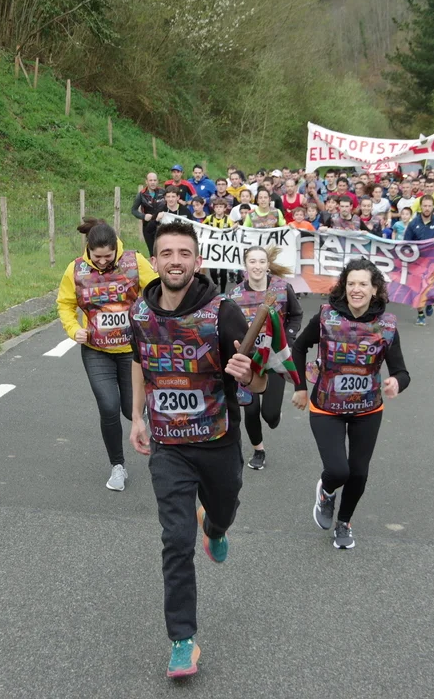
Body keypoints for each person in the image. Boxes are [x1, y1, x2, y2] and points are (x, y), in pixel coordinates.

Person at [129, 221, 267, 679]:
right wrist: (137, 417)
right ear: (155, 260)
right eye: (167, 253)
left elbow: (261, 382)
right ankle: (182, 640)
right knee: (175, 539)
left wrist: (248, 375)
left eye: (184, 253)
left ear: (197, 261)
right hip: (169, 445)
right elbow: (139, 363)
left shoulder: (223, 314)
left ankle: (216, 526)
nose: (175, 261)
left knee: (224, 510)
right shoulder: (140, 313)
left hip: (217, 441)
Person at [290, 258, 410, 549]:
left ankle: (344, 522)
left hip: (367, 409)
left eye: (363, 284)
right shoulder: (326, 316)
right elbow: (299, 347)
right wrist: (300, 388)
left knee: (358, 473)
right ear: (344, 287)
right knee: (338, 470)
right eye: (351, 283)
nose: (356, 289)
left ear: (374, 289)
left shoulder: (386, 325)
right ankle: (327, 491)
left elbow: (402, 372)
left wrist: (396, 383)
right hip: (326, 406)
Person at [57, 218, 158, 490]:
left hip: (131, 351)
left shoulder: (134, 262)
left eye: (108, 256)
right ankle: (117, 466)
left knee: (130, 408)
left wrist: (149, 321)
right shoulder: (75, 269)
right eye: (97, 257)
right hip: (96, 351)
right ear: (88, 250)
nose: (102, 262)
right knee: (109, 406)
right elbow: (65, 304)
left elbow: (157, 292)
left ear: (116, 248)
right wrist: (74, 329)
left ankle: (158, 440)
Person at [229, 246, 302, 470]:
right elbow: (228, 326)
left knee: (270, 416)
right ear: (245, 265)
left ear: (268, 265)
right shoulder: (235, 295)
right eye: (252, 261)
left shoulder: (282, 288)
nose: (257, 266)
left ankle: (273, 414)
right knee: (250, 410)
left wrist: (287, 340)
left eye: (262, 261)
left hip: (274, 359)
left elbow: (296, 314)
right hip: (249, 361)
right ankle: (258, 450)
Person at [403, 195, 434, 326]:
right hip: (417, 262)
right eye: (425, 206)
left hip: (433, 263)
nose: (427, 208)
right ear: (420, 207)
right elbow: (406, 242)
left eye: (429, 206)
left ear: (433, 207)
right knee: (418, 289)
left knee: (429, 288)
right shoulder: (413, 223)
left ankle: (429, 302)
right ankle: (420, 314)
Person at [131, 172, 166, 254]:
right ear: (146, 182)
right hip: (148, 226)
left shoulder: (163, 192)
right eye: (150, 180)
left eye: (154, 180)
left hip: (162, 225)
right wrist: (143, 216)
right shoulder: (141, 195)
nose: (153, 182)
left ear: (157, 181)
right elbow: (133, 210)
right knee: (152, 252)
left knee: (163, 251)